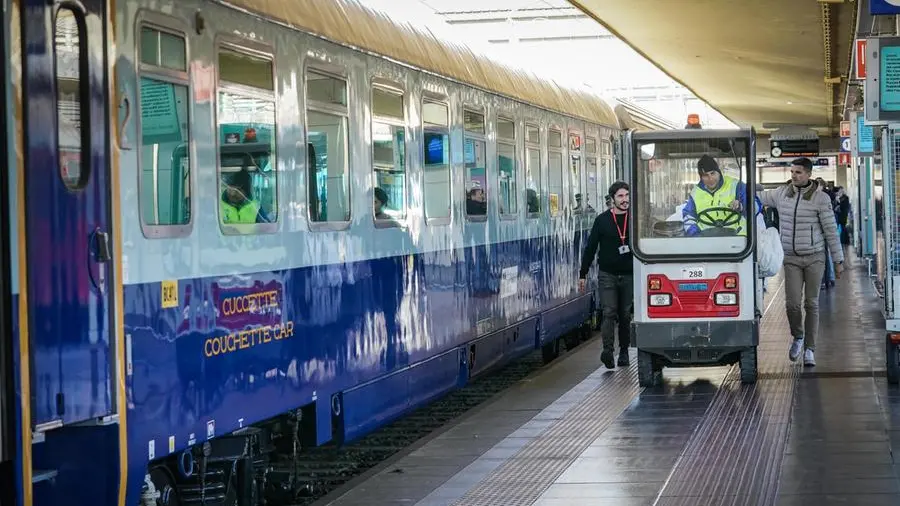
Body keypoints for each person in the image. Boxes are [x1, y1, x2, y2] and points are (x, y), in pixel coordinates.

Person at [758, 157, 843, 367]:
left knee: (811, 303)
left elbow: (831, 231)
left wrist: (838, 260)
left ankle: (810, 349)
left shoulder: (820, 199)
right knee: (792, 304)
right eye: (792, 172)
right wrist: (739, 193)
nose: (794, 176)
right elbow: (758, 196)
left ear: (808, 174)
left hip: (815, 257)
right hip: (791, 258)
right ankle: (798, 336)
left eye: (798, 172)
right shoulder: (781, 194)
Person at [579, 181, 632, 369]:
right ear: (612, 199)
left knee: (625, 314)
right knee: (609, 312)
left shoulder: (635, 219)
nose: (625, 200)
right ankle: (608, 351)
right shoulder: (602, 220)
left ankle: (624, 351)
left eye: (627, 195)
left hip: (629, 275)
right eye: (620, 196)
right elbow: (591, 247)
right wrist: (583, 273)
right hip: (607, 274)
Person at [682, 155, 747, 236]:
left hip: (737, 238)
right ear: (701, 177)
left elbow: (755, 206)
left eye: (712, 173)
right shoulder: (695, 192)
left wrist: (741, 206)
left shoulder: (736, 185)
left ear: (718, 172)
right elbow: (689, 217)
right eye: (705, 175)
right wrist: (696, 236)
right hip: (706, 239)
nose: (710, 179)